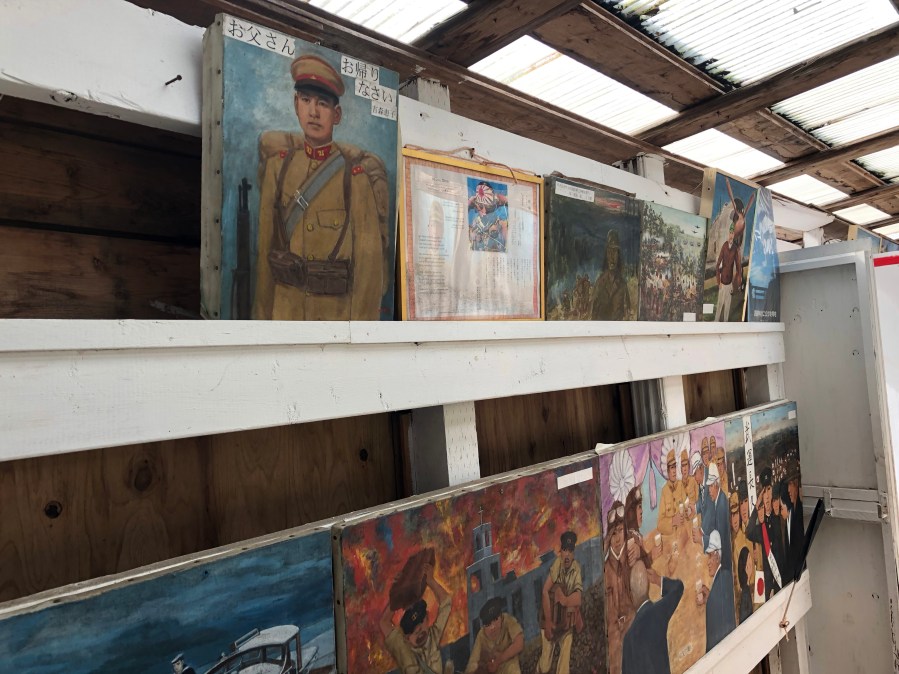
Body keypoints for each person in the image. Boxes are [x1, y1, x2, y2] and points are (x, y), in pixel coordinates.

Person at [253, 53, 390, 321]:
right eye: (306, 100)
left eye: (323, 104)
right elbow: (264, 257)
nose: (313, 112)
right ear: (296, 104)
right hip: (285, 316)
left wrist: (360, 334)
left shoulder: (355, 178)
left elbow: (368, 271)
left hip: (334, 319)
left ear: (336, 115)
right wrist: (262, 324)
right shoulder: (278, 169)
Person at [380, 562, 454, 674]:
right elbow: (384, 623)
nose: (419, 630)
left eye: (421, 621)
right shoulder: (404, 650)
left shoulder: (432, 636)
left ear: (427, 618)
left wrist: (431, 581)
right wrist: (397, 595)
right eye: (412, 629)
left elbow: (446, 603)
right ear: (406, 637)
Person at [620, 559, 683, 674]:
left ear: (631, 595)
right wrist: (658, 579)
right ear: (648, 586)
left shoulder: (628, 639)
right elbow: (678, 587)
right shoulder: (657, 612)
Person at [746, 467, 784, 598]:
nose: (767, 496)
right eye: (764, 491)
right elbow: (749, 532)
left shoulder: (778, 518)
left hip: (782, 580)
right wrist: (756, 507)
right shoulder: (761, 525)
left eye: (769, 489)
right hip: (767, 585)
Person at [605, 503, 633, 674]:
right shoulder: (605, 570)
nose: (617, 538)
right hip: (614, 637)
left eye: (620, 531)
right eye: (613, 533)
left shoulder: (632, 556)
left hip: (633, 625)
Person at [696, 530, 736, 651]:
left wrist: (709, 598)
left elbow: (720, 615)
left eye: (710, 556)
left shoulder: (724, 577)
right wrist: (710, 596)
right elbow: (721, 603)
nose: (708, 562)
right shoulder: (722, 577)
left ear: (717, 556)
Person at [464, 597, 523, 674]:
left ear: (501, 616)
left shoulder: (508, 620)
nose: (492, 627)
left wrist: (498, 661)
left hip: (509, 666)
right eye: (488, 624)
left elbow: (519, 644)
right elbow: (472, 663)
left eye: (495, 620)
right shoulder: (481, 635)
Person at [697, 462, 731, 571]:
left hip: (724, 561)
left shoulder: (721, 504)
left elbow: (720, 540)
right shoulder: (717, 500)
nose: (709, 491)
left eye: (711, 486)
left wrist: (703, 539)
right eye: (709, 487)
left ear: (717, 485)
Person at [591, 229, 632, 320]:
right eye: (609, 252)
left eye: (615, 252)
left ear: (619, 256)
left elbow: (627, 315)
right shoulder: (600, 283)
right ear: (606, 255)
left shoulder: (622, 285)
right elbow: (593, 315)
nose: (612, 257)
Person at [657, 450, 686, 535]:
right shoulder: (664, 491)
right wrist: (673, 521)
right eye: (672, 468)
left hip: (682, 534)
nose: (674, 471)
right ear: (668, 471)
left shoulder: (681, 485)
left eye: (675, 467)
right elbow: (659, 524)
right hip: (671, 537)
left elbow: (687, 508)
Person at [784, 472, 805, 580]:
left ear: (796, 484)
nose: (788, 491)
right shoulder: (792, 511)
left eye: (790, 484)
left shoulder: (800, 511)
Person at [736, 546, 755, 623]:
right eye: (749, 557)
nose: (751, 563)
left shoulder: (746, 589)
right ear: (746, 567)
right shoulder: (745, 592)